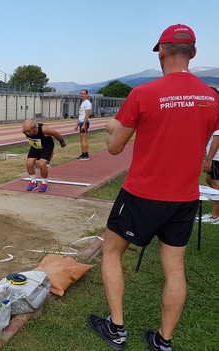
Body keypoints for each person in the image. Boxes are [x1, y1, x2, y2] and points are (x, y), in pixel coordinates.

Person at [87, 24, 219, 351]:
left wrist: (113, 126)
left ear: (161, 51)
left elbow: (115, 147)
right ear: (194, 53)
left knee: (112, 253)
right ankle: (163, 341)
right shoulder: (211, 97)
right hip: (185, 199)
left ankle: (116, 328)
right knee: (175, 270)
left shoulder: (143, 94)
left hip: (141, 195)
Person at [21, 119, 66, 193]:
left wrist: (62, 142)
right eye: (26, 131)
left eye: (29, 131)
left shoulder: (44, 129)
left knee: (42, 164)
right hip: (35, 146)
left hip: (47, 146)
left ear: (34, 128)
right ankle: (33, 182)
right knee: (29, 163)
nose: (27, 133)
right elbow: (30, 137)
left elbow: (56, 134)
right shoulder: (24, 131)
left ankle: (44, 183)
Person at [199, 88, 219, 224]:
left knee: (217, 186)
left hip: (217, 157)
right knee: (209, 180)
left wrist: (209, 158)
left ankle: (215, 216)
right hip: (215, 156)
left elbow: (217, 138)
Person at [75, 89, 92, 160]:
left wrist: (83, 124)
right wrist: (77, 124)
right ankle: (84, 153)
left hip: (84, 123)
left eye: (83, 94)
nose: (82, 95)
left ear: (86, 95)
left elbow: (87, 114)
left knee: (84, 139)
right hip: (81, 122)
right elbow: (80, 115)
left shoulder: (87, 103)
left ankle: (85, 155)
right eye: (81, 93)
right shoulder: (82, 103)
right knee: (82, 139)